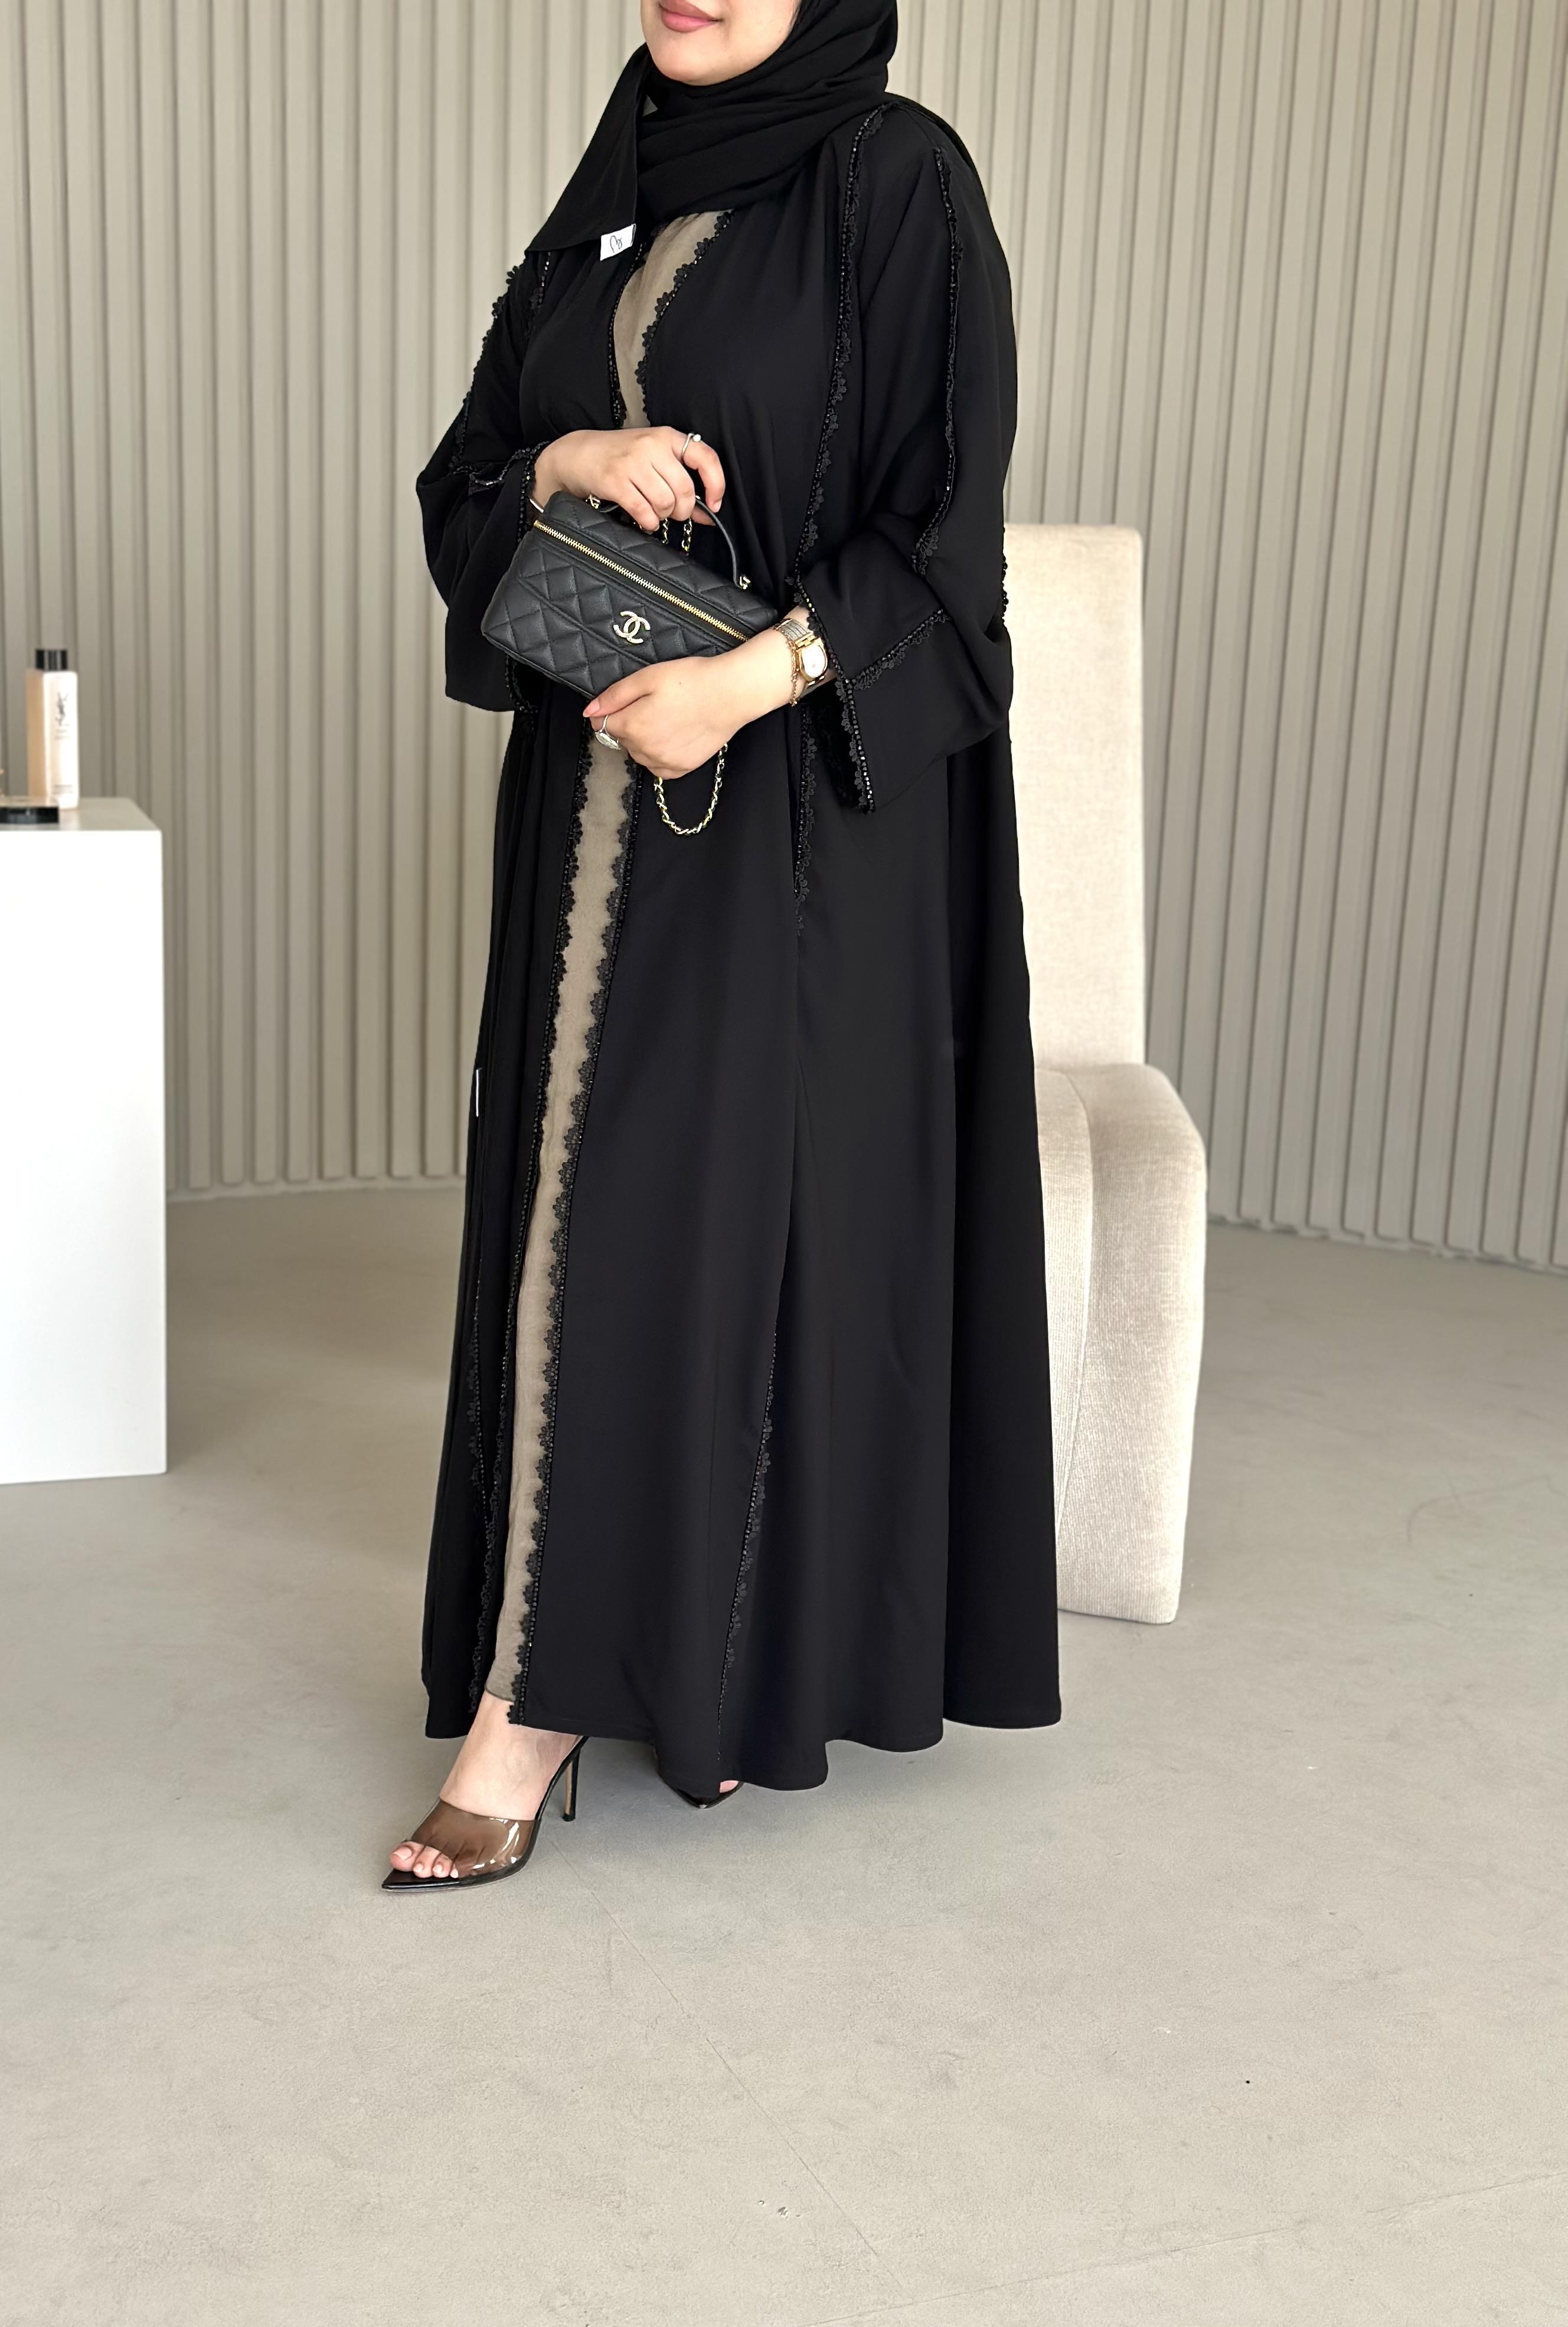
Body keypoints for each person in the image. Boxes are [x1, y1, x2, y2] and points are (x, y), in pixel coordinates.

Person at [387, 0, 1059, 1891]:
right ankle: (583, 1678)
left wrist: (746, 684)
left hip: (796, 829)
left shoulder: (898, 182)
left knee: (713, 1234)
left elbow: (951, 546)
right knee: (577, 1220)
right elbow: (463, 483)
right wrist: (571, 458)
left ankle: (597, 1697)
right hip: (588, 808)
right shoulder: (606, 194)